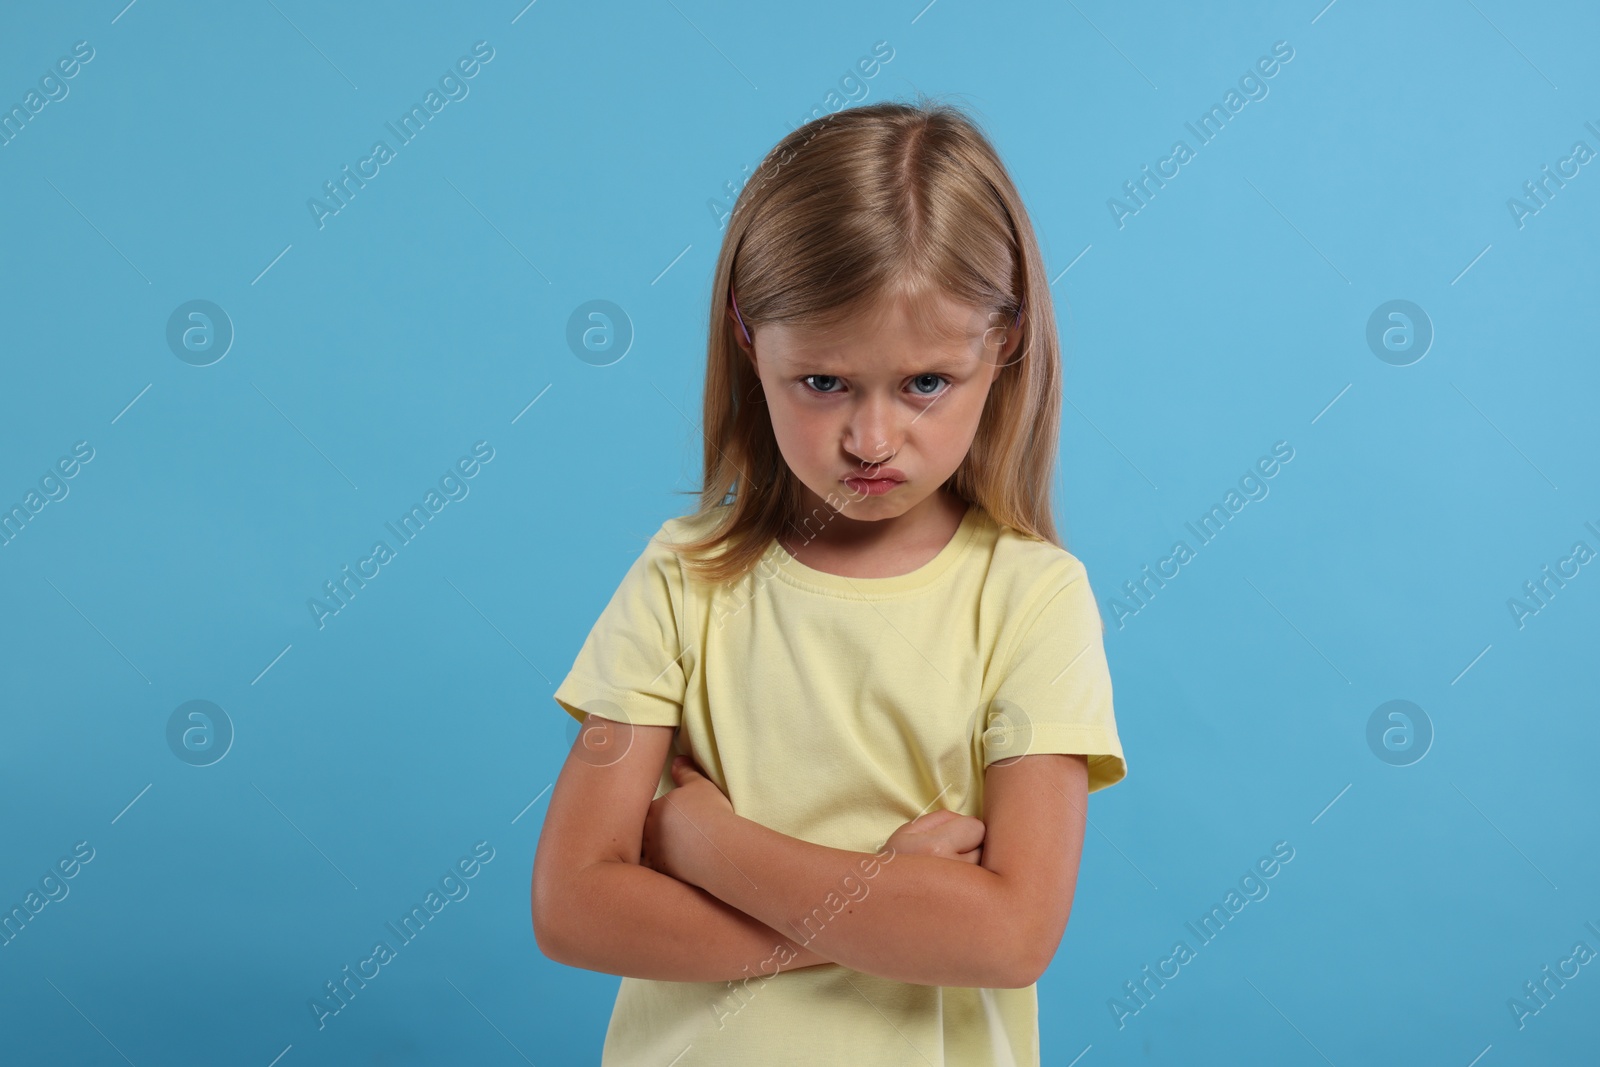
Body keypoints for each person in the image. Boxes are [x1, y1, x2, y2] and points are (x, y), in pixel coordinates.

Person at [532, 97, 1128, 1066]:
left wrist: (698, 840)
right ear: (746, 337)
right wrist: (881, 898)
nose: (870, 438)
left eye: (925, 382)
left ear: (1004, 344)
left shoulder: (1033, 598)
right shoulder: (680, 578)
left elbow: (1006, 936)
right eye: (822, 382)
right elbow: (573, 905)